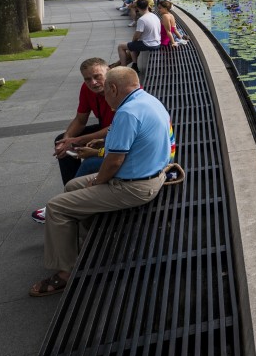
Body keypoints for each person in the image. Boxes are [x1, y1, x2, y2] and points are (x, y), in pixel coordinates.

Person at [28, 66, 173, 297]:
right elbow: (125, 147)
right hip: (152, 174)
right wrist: (100, 152)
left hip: (134, 187)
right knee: (72, 186)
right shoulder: (147, 100)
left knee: (56, 207)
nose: (103, 97)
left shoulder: (127, 113)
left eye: (105, 91)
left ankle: (66, 274)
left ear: (113, 88)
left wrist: (97, 182)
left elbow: (114, 163)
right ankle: (83, 244)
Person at [30, 58, 113, 224]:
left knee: (89, 163)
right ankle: (71, 198)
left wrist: (79, 139)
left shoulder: (117, 89)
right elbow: (81, 120)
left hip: (117, 134)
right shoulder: (87, 89)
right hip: (110, 131)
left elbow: (117, 127)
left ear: (109, 73)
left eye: (97, 76)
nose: (93, 82)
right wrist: (67, 140)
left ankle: (66, 203)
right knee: (62, 141)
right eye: (87, 79)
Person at [118, 0, 161, 70]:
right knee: (133, 45)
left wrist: (133, 42)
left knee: (121, 46)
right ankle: (134, 65)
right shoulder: (154, 16)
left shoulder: (142, 19)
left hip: (149, 44)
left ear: (137, 8)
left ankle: (124, 69)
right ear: (148, 6)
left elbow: (137, 35)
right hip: (157, 42)